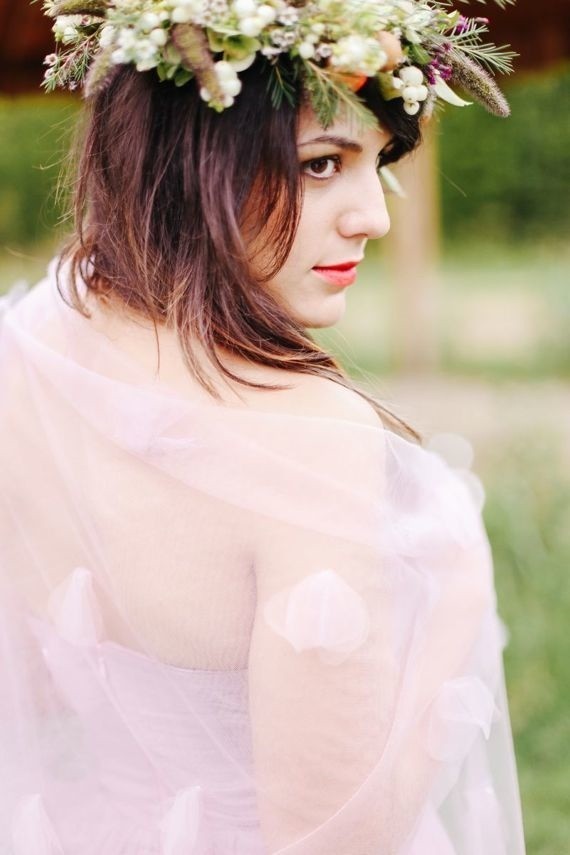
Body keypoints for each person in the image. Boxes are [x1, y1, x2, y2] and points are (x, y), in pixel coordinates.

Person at [0, 1, 526, 853]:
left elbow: (40, 685)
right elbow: (337, 841)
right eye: (321, 164)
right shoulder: (312, 440)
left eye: (378, 161)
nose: (374, 215)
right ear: (189, 156)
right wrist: (454, 604)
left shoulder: (36, 343)